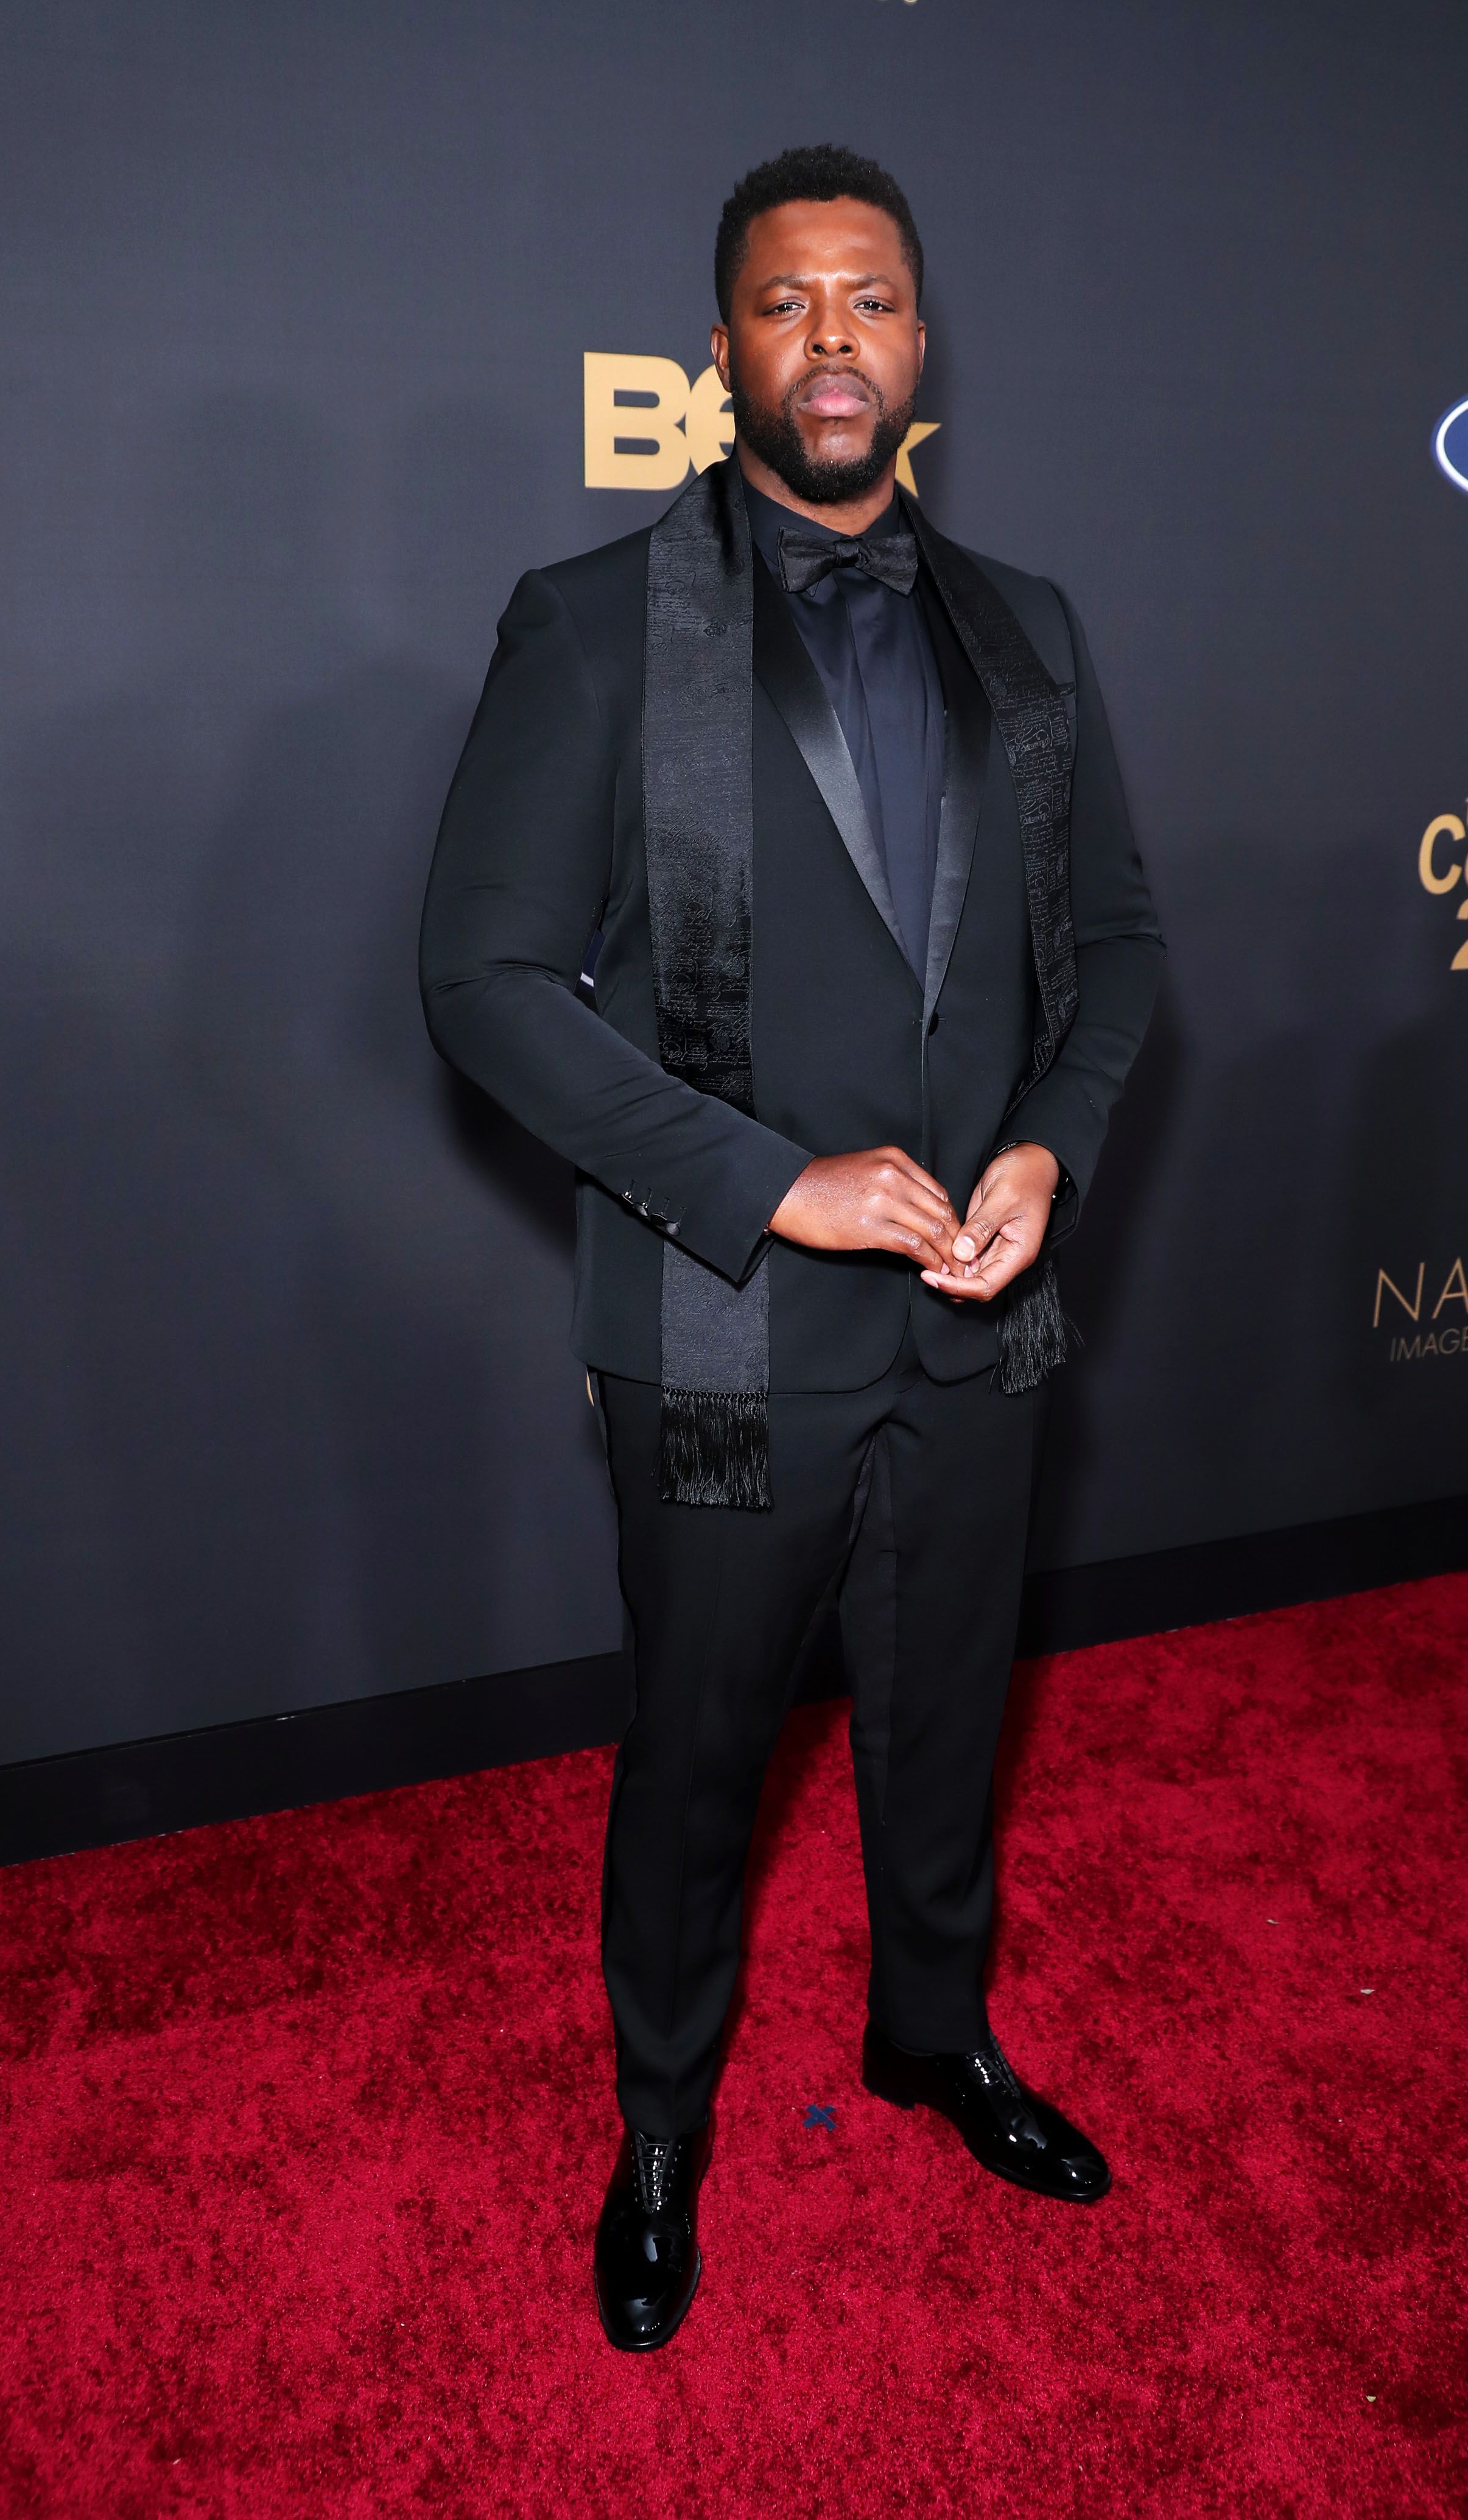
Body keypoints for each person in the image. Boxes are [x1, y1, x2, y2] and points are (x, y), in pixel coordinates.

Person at [420, 144, 1163, 2351]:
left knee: (949, 1717)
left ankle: (930, 2033)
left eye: (870, 297)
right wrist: (770, 1184)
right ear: (719, 350)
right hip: (724, 1324)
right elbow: (478, 985)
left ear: (919, 345)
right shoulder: (588, 621)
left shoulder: (1027, 622)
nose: (830, 334)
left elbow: (1111, 947)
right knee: (701, 1753)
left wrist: (1050, 1152)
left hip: (977, 1309)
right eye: (785, 299)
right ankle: (660, 2128)